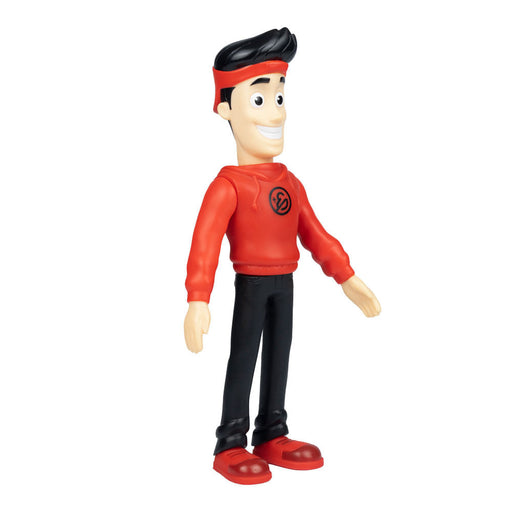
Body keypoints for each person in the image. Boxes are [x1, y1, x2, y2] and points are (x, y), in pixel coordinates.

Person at [184, 27, 381, 485]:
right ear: (225, 108)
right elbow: (204, 244)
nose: (276, 112)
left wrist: (348, 277)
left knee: (279, 354)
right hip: (251, 285)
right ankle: (230, 441)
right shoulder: (227, 187)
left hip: (285, 284)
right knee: (243, 357)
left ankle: (272, 431)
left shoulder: (290, 183)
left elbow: (315, 234)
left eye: (279, 97)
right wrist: (197, 299)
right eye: (259, 99)